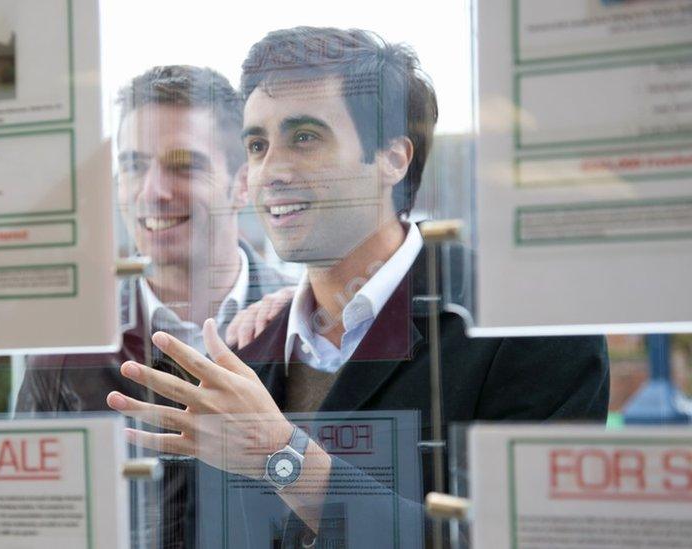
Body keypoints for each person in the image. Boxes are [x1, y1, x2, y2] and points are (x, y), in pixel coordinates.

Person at [105, 27, 609, 547]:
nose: (270, 170)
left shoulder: (525, 323)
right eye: (257, 144)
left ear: (393, 158)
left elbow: (533, 537)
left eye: (305, 137)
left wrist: (285, 458)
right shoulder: (245, 347)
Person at [16, 65, 294, 547]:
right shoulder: (69, 347)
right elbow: (25, 523)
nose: (152, 192)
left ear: (242, 183)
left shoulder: (304, 328)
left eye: (184, 164)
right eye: (134, 165)